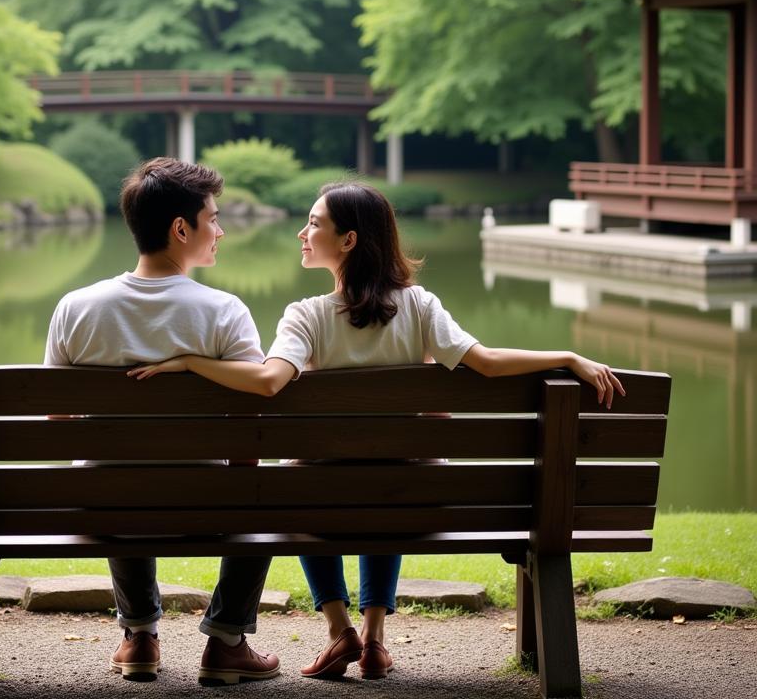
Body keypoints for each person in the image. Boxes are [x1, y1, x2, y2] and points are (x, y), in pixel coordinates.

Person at [129, 181, 625, 681]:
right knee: (397, 469)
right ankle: (374, 640)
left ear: (348, 240)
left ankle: (340, 629)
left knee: (296, 480)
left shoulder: (306, 317)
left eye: (315, 223)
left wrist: (192, 361)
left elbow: (268, 380)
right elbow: (488, 364)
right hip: (413, 501)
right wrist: (566, 355)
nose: (302, 232)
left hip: (322, 502)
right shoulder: (420, 306)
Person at [43, 156, 280, 686]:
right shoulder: (224, 311)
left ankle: (140, 636)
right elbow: (253, 425)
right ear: (181, 229)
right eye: (213, 218)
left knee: (115, 474)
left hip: (102, 502)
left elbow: (56, 419)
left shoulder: (75, 308)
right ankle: (227, 642)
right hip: (206, 503)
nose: (219, 230)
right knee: (262, 490)